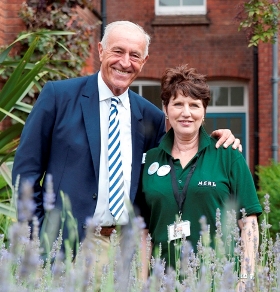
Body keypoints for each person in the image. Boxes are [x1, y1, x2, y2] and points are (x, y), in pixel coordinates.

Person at [12, 21, 240, 276]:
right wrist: (39, 234)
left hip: (127, 251)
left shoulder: (151, 116)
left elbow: (176, 157)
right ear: (100, 50)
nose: (125, 62)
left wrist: (220, 138)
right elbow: (26, 172)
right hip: (68, 246)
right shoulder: (59, 97)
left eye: (134, 55)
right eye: (117, 51)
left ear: (144, 61)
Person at [139, 64, 262, 285]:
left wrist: (245, 280)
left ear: (204, 112)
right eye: (177, 104)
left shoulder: (228, 155)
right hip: (163, 283)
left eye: (194, 105)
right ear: (165, 109)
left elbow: (249, 223)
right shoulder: (150, 160)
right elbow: (143, 233)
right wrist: (139, 285)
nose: (186, 113)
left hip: (219, 282)